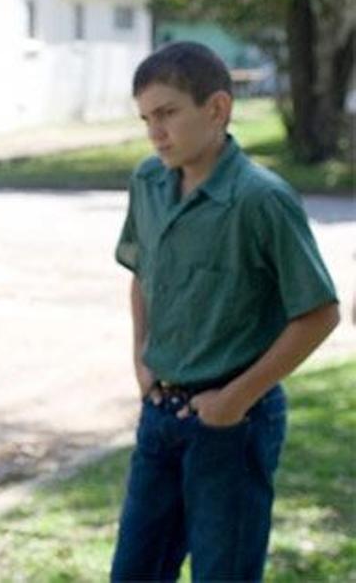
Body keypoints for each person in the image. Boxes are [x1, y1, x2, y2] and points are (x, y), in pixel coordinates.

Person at [111, 41, 340, 581]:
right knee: (134, 572)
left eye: (168, 114)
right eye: (147, 118)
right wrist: (142, 362)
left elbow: (319, 313)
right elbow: (143, 274)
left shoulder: (262, 199)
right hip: (160, 417)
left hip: (233, 424)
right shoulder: (147, 181)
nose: (155, 133)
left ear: (217, 109)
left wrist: (234, 400)